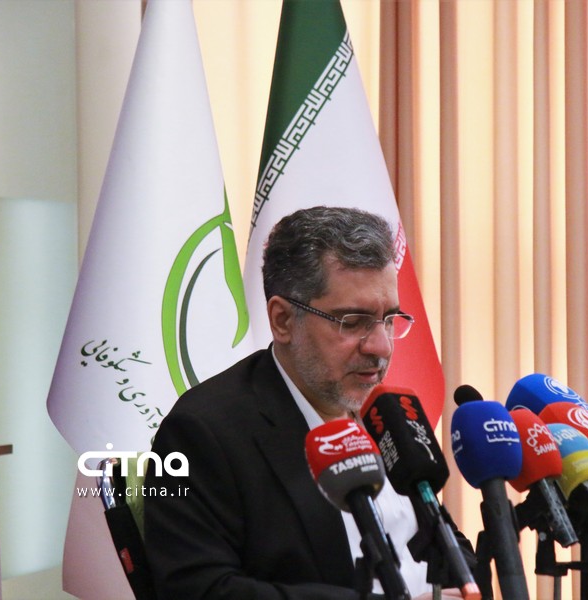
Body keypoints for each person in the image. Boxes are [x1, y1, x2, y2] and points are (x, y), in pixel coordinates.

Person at [144, 206, 473, 599]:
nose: (381, 347)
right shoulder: (203, 432)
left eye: (389, 319)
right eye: (353, 322)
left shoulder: (387, 416)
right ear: (283, 320)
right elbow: (199, 590)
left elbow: (450, 550)